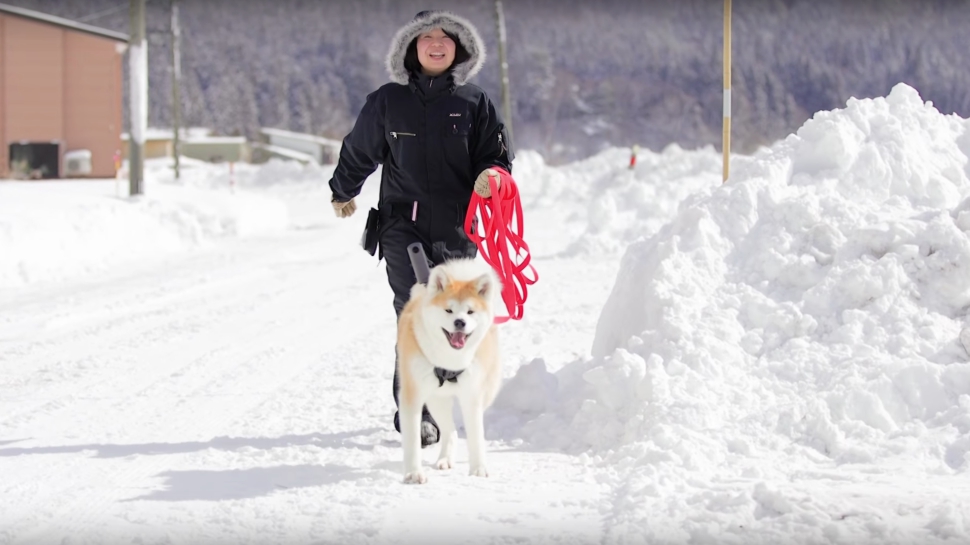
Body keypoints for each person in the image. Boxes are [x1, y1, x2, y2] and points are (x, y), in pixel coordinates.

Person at [328, 10, 514, 448]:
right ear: (410, 48)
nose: (436, 43)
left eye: (445, 38)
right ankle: (418, 411)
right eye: (425, 37)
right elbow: (359, 150)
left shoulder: (474, 102)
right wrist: (342, 190)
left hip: (457, 230)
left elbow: (497, 155)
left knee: (454, 319)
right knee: (414, 312)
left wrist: (491, 175)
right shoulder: (388, 101)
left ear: (459, 48)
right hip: (401, 227)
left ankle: (446, 394)